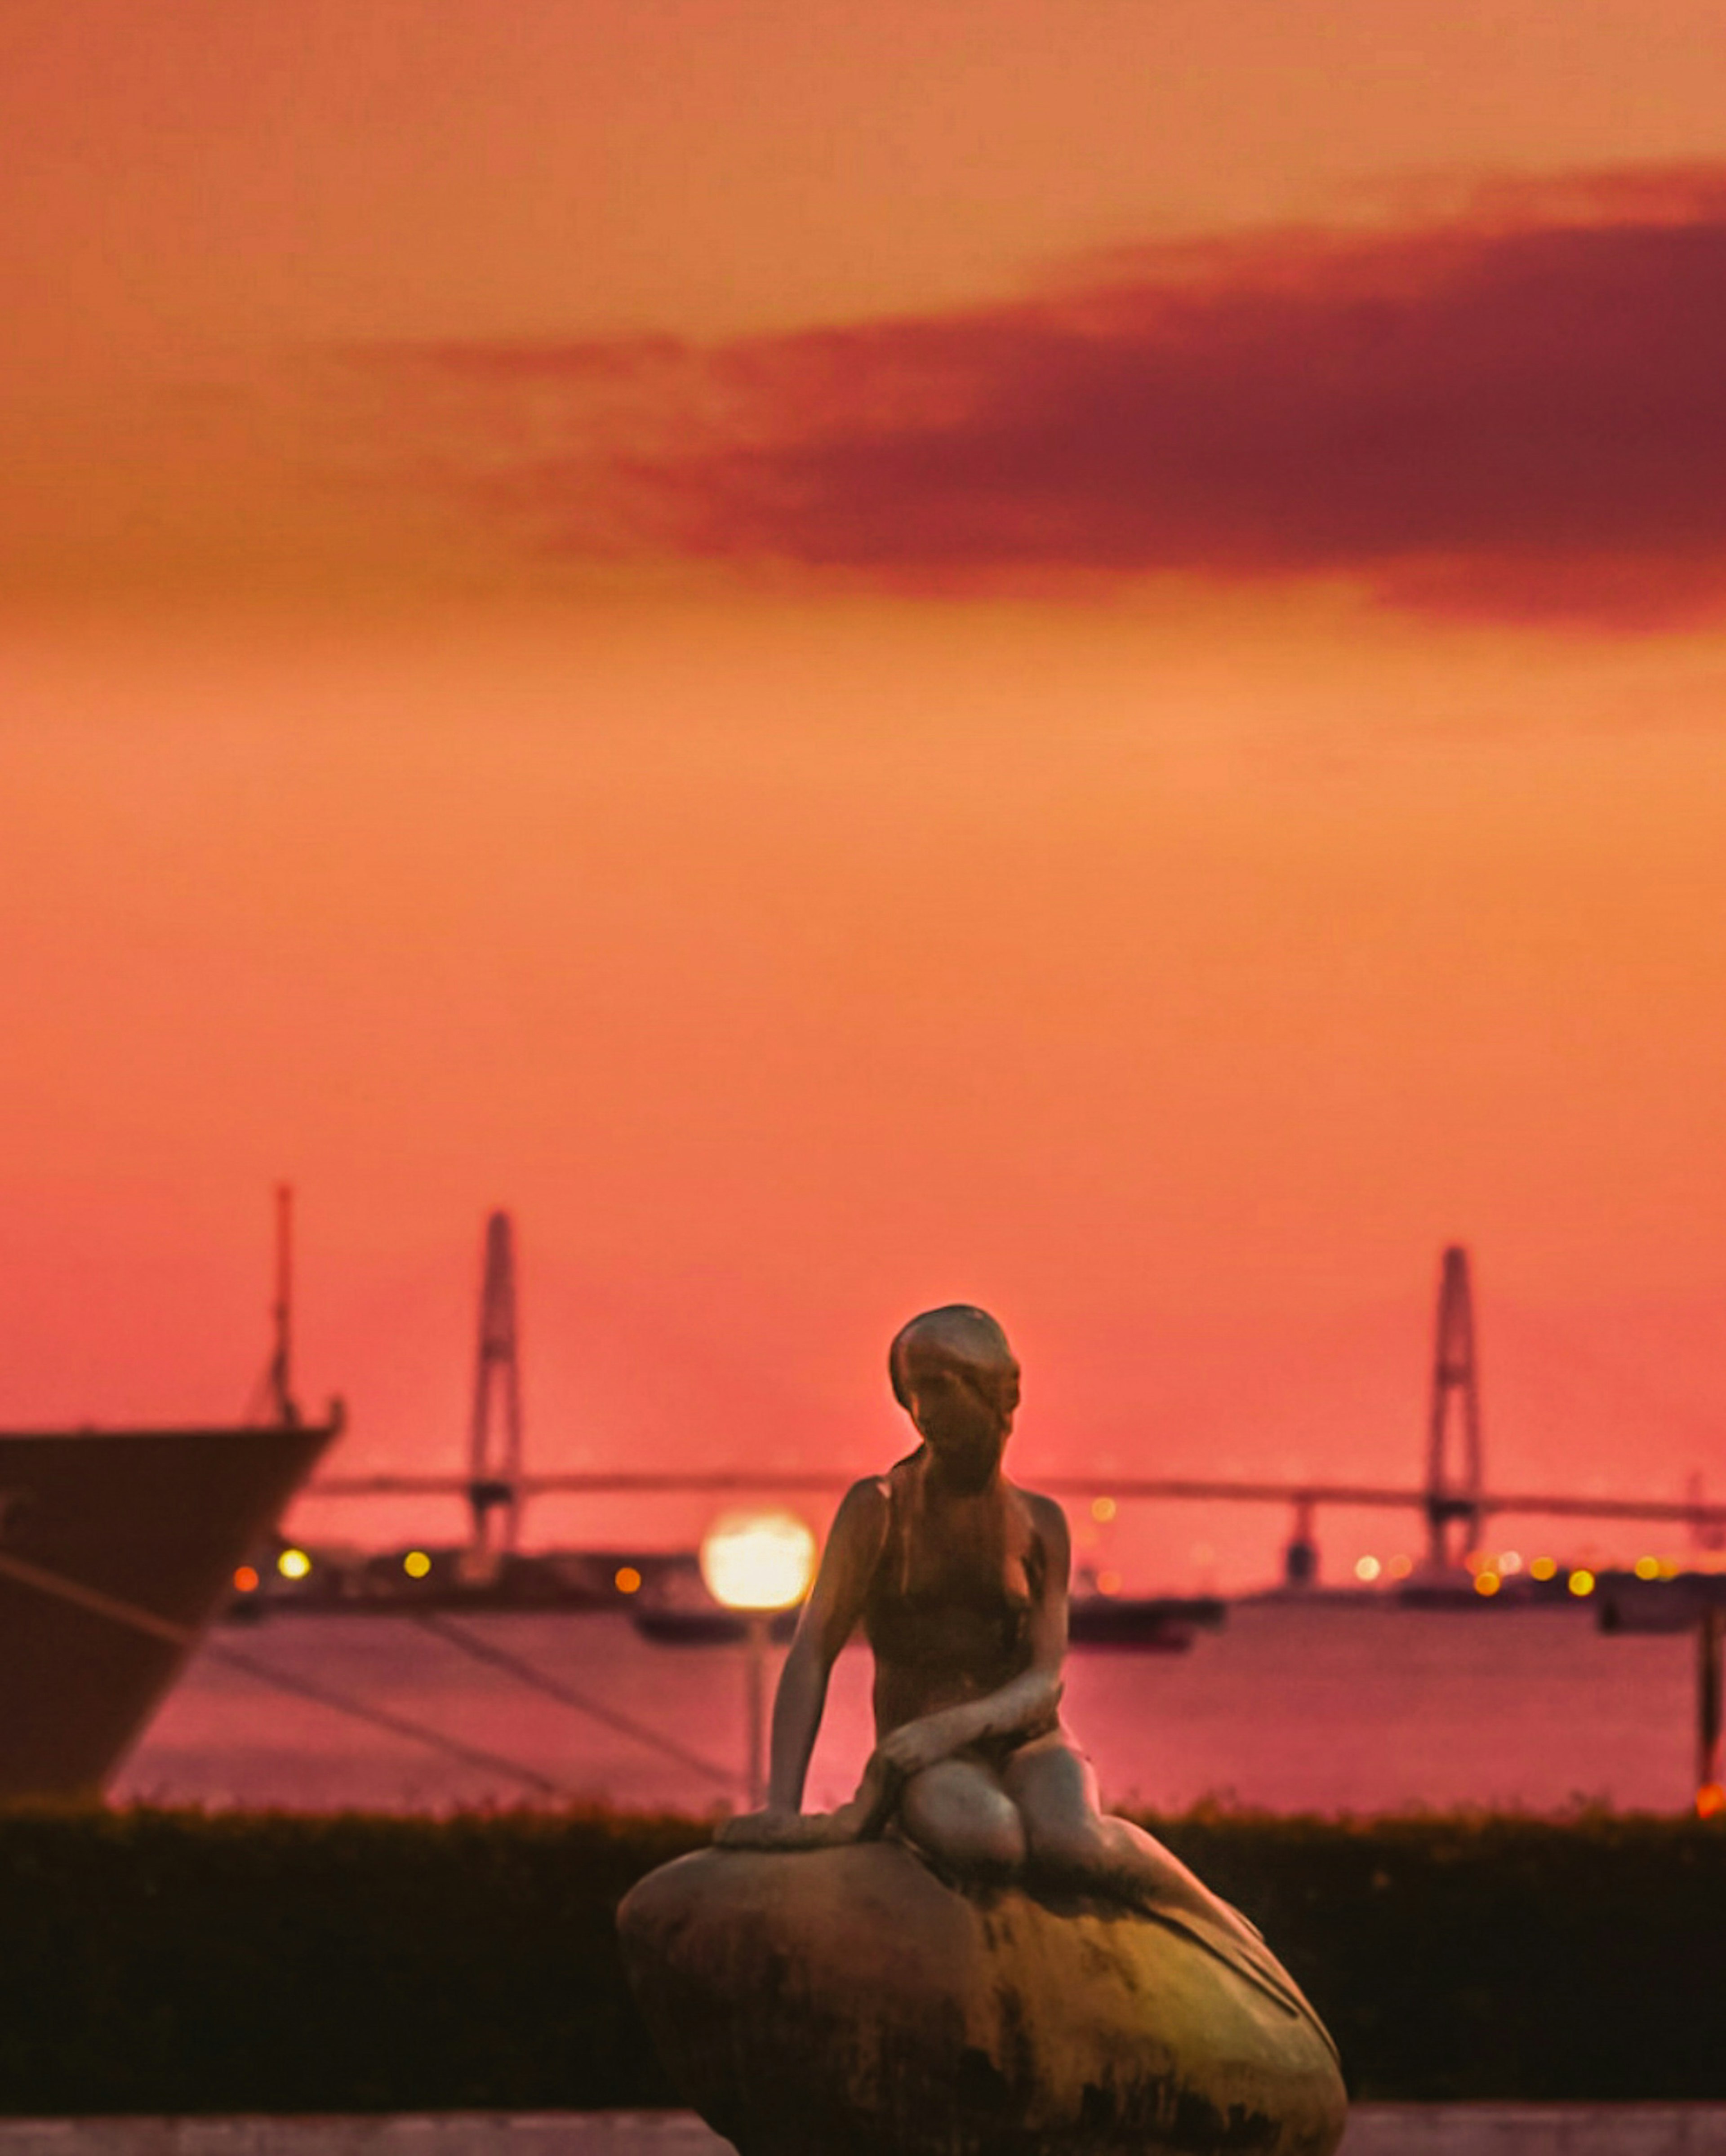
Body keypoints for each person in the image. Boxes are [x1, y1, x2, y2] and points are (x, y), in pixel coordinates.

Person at [719, 1304, 1330, 2037]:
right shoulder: (879, 1509)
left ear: (1000, 1392)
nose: (925, 1408)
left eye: (945, 1385)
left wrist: (958, 1725)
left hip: (1030, 1740)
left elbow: (1046, 1678)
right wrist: (782, 1807)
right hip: (925, 1759)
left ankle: (1227, 1932)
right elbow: (813, 1650)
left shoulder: (1040, 1524)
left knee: (1074, 1841)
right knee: (993, 1843)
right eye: (914, 1388)